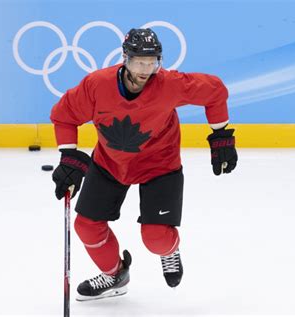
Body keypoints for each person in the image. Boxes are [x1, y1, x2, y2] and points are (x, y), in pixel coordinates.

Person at [50, 28, 238, 301]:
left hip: (159, 164)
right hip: (110, 162)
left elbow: (215, 91)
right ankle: (115, 275)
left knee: (156, 237)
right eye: (139, 62)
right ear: (125, 58)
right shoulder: (96, 85)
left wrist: (221, 135)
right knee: (87, 225)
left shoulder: (170, 84)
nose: (145, 70)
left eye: (152, 63)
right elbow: (64, 115)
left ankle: (169, 251)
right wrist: (68, 157)